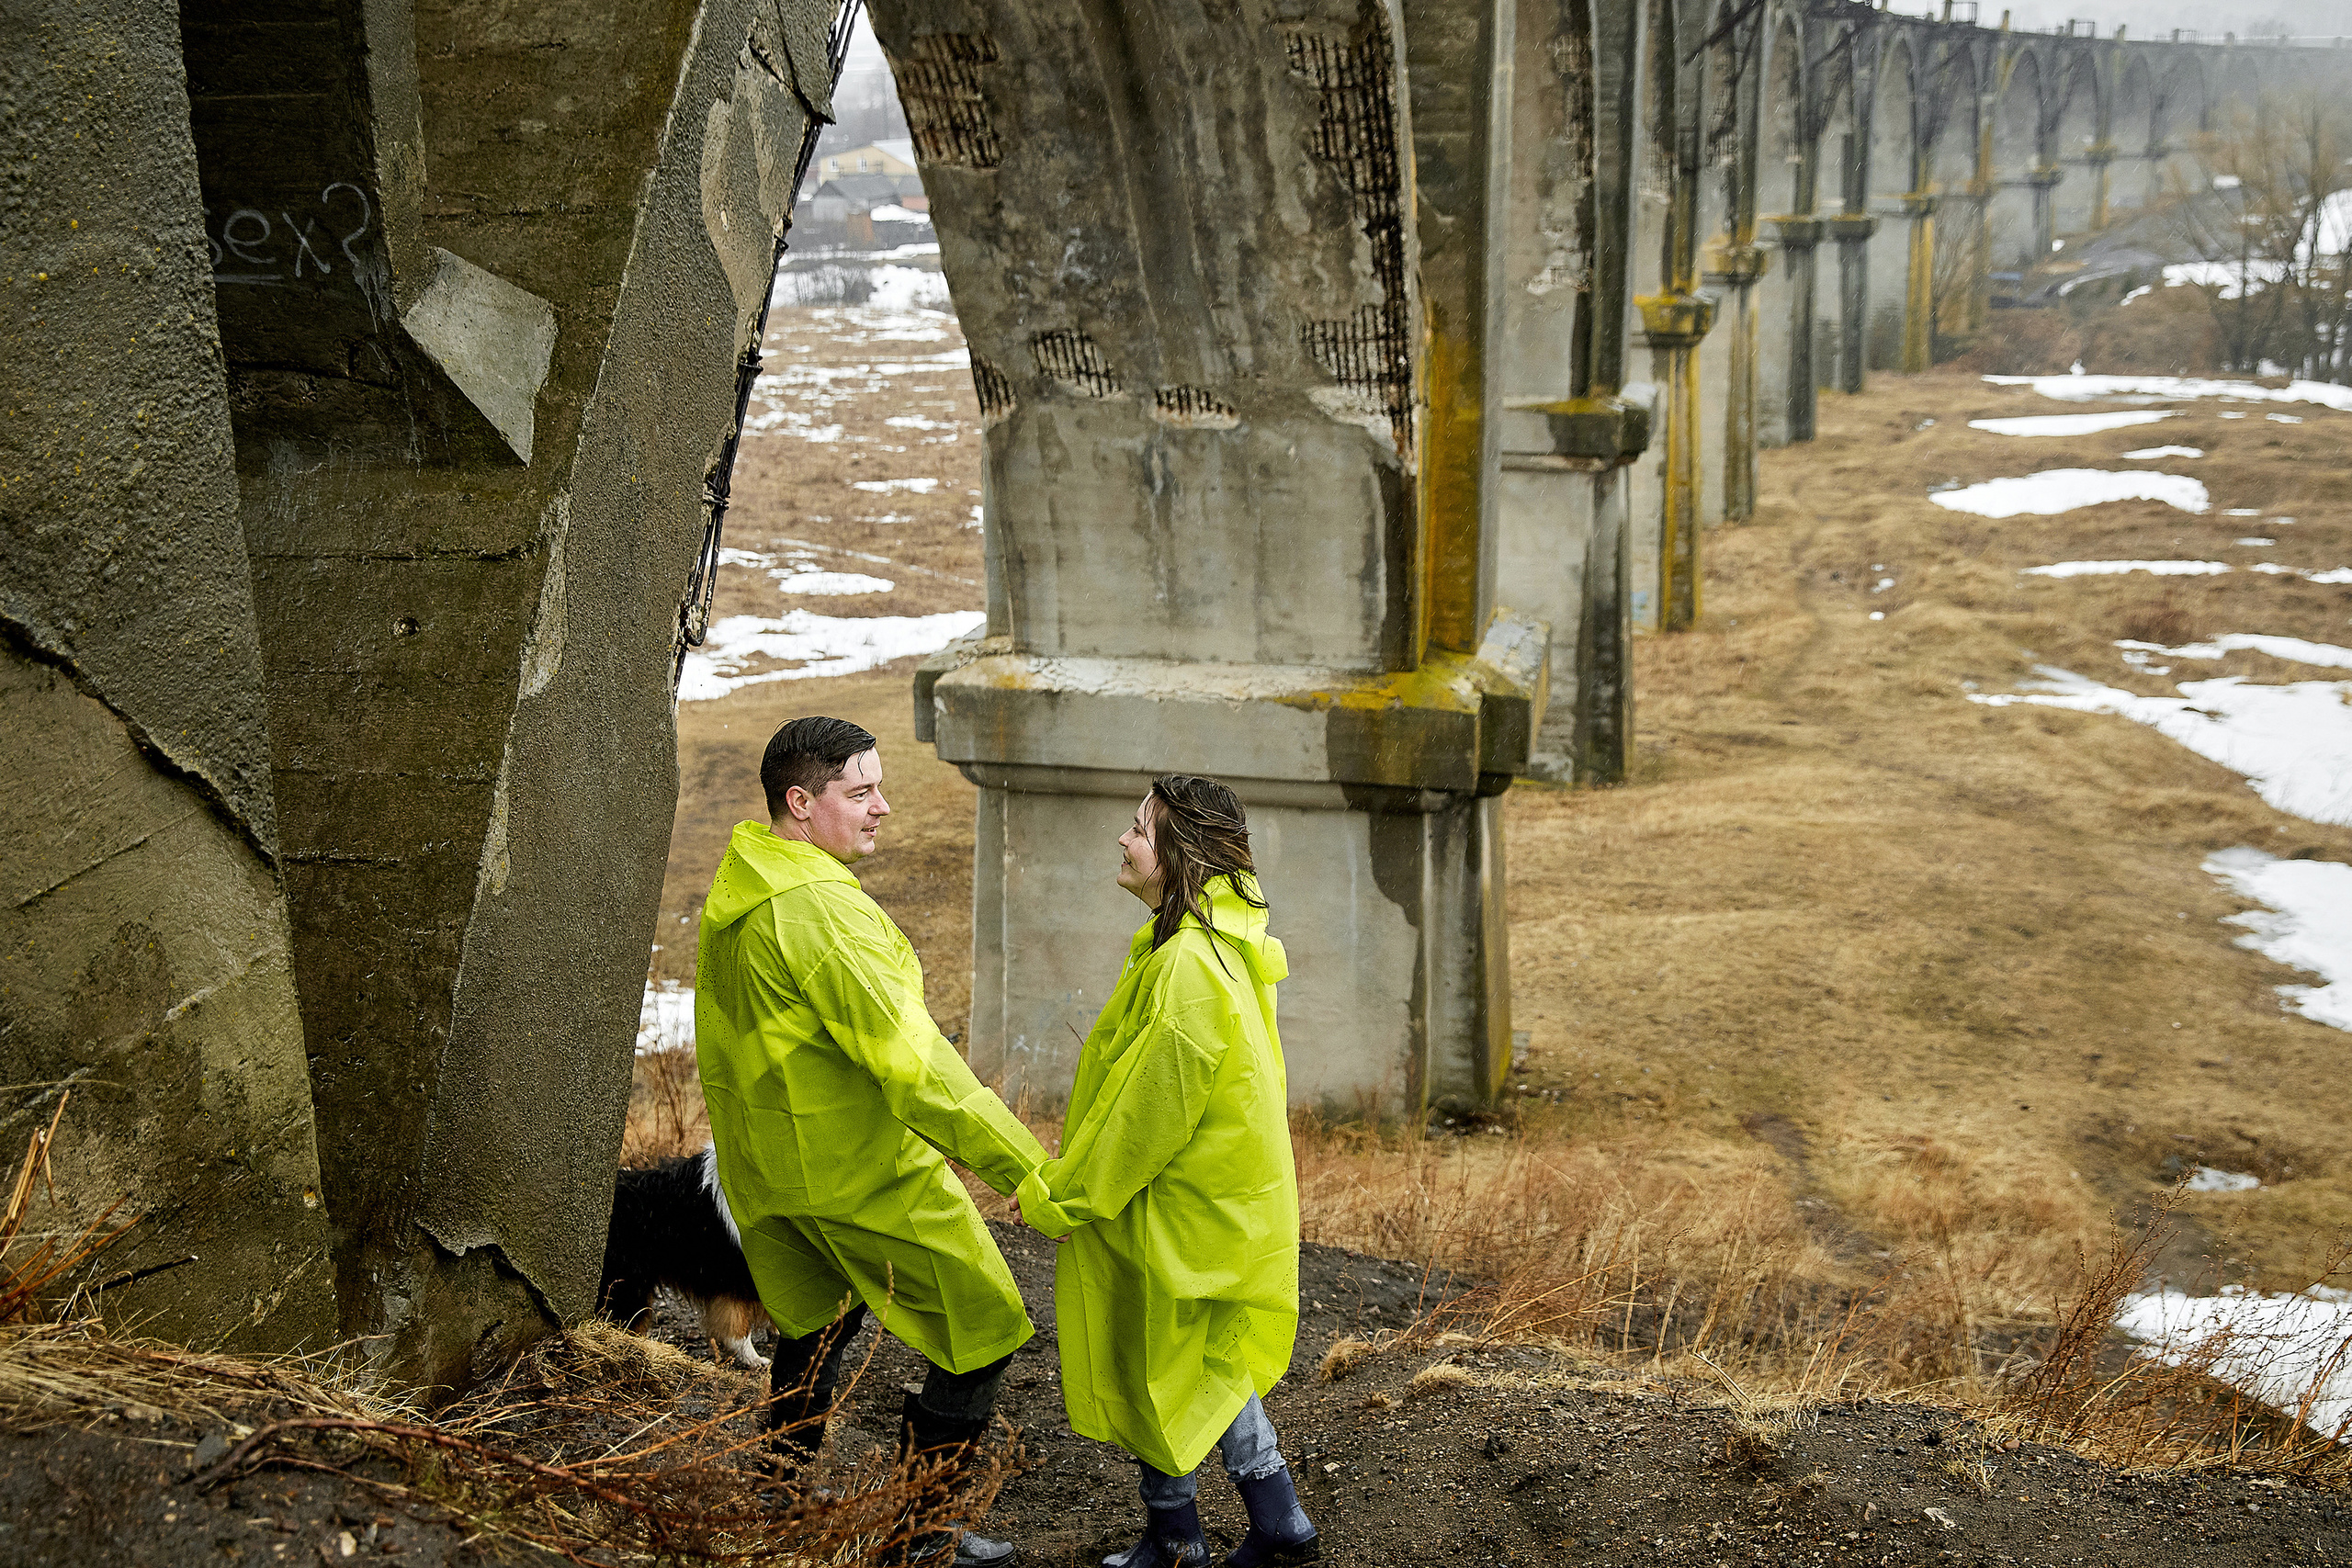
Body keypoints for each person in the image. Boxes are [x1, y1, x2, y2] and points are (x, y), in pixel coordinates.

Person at [695, 716, 1046, 1567]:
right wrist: (1028, 1171)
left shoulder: (744, 883)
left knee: (817, 1325)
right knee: (987, 1325)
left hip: (771, 1174)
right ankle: (921, 1538)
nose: (883, 806)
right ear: (801, 801)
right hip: (861, 1174)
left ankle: (775, 1505)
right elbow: (919, 1068)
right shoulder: (823, 915)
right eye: (861, 792)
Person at [1015, 776, 1320, 1568]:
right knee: (1205, 1361)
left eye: (1140, 829)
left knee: (1153, 1358)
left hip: (1178, 1207)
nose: (1123, 839)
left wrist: (1061, 1197)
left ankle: (1177, 1538)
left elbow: (1143, 1118)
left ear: (1181, 851)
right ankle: (1278, 1521)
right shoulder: (1219, 942)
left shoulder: (1187, 963)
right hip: (1220, 1202)